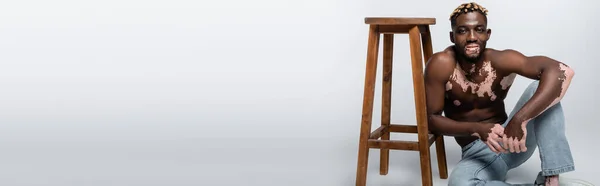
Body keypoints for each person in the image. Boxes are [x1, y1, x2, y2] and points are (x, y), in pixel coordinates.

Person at [424, 2, 578, 186]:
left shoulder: (500, 60)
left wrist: (519, 120)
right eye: (463, 30)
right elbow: (432, 120)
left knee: (544, 87)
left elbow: (562, 72)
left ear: (487, 34)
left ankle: (553, 177)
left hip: (512, 139)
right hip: (476, 153)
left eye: (479, 29)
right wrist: (477, 129)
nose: (472, 37)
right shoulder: (441, 64)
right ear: (452, 36)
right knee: (459, 183)